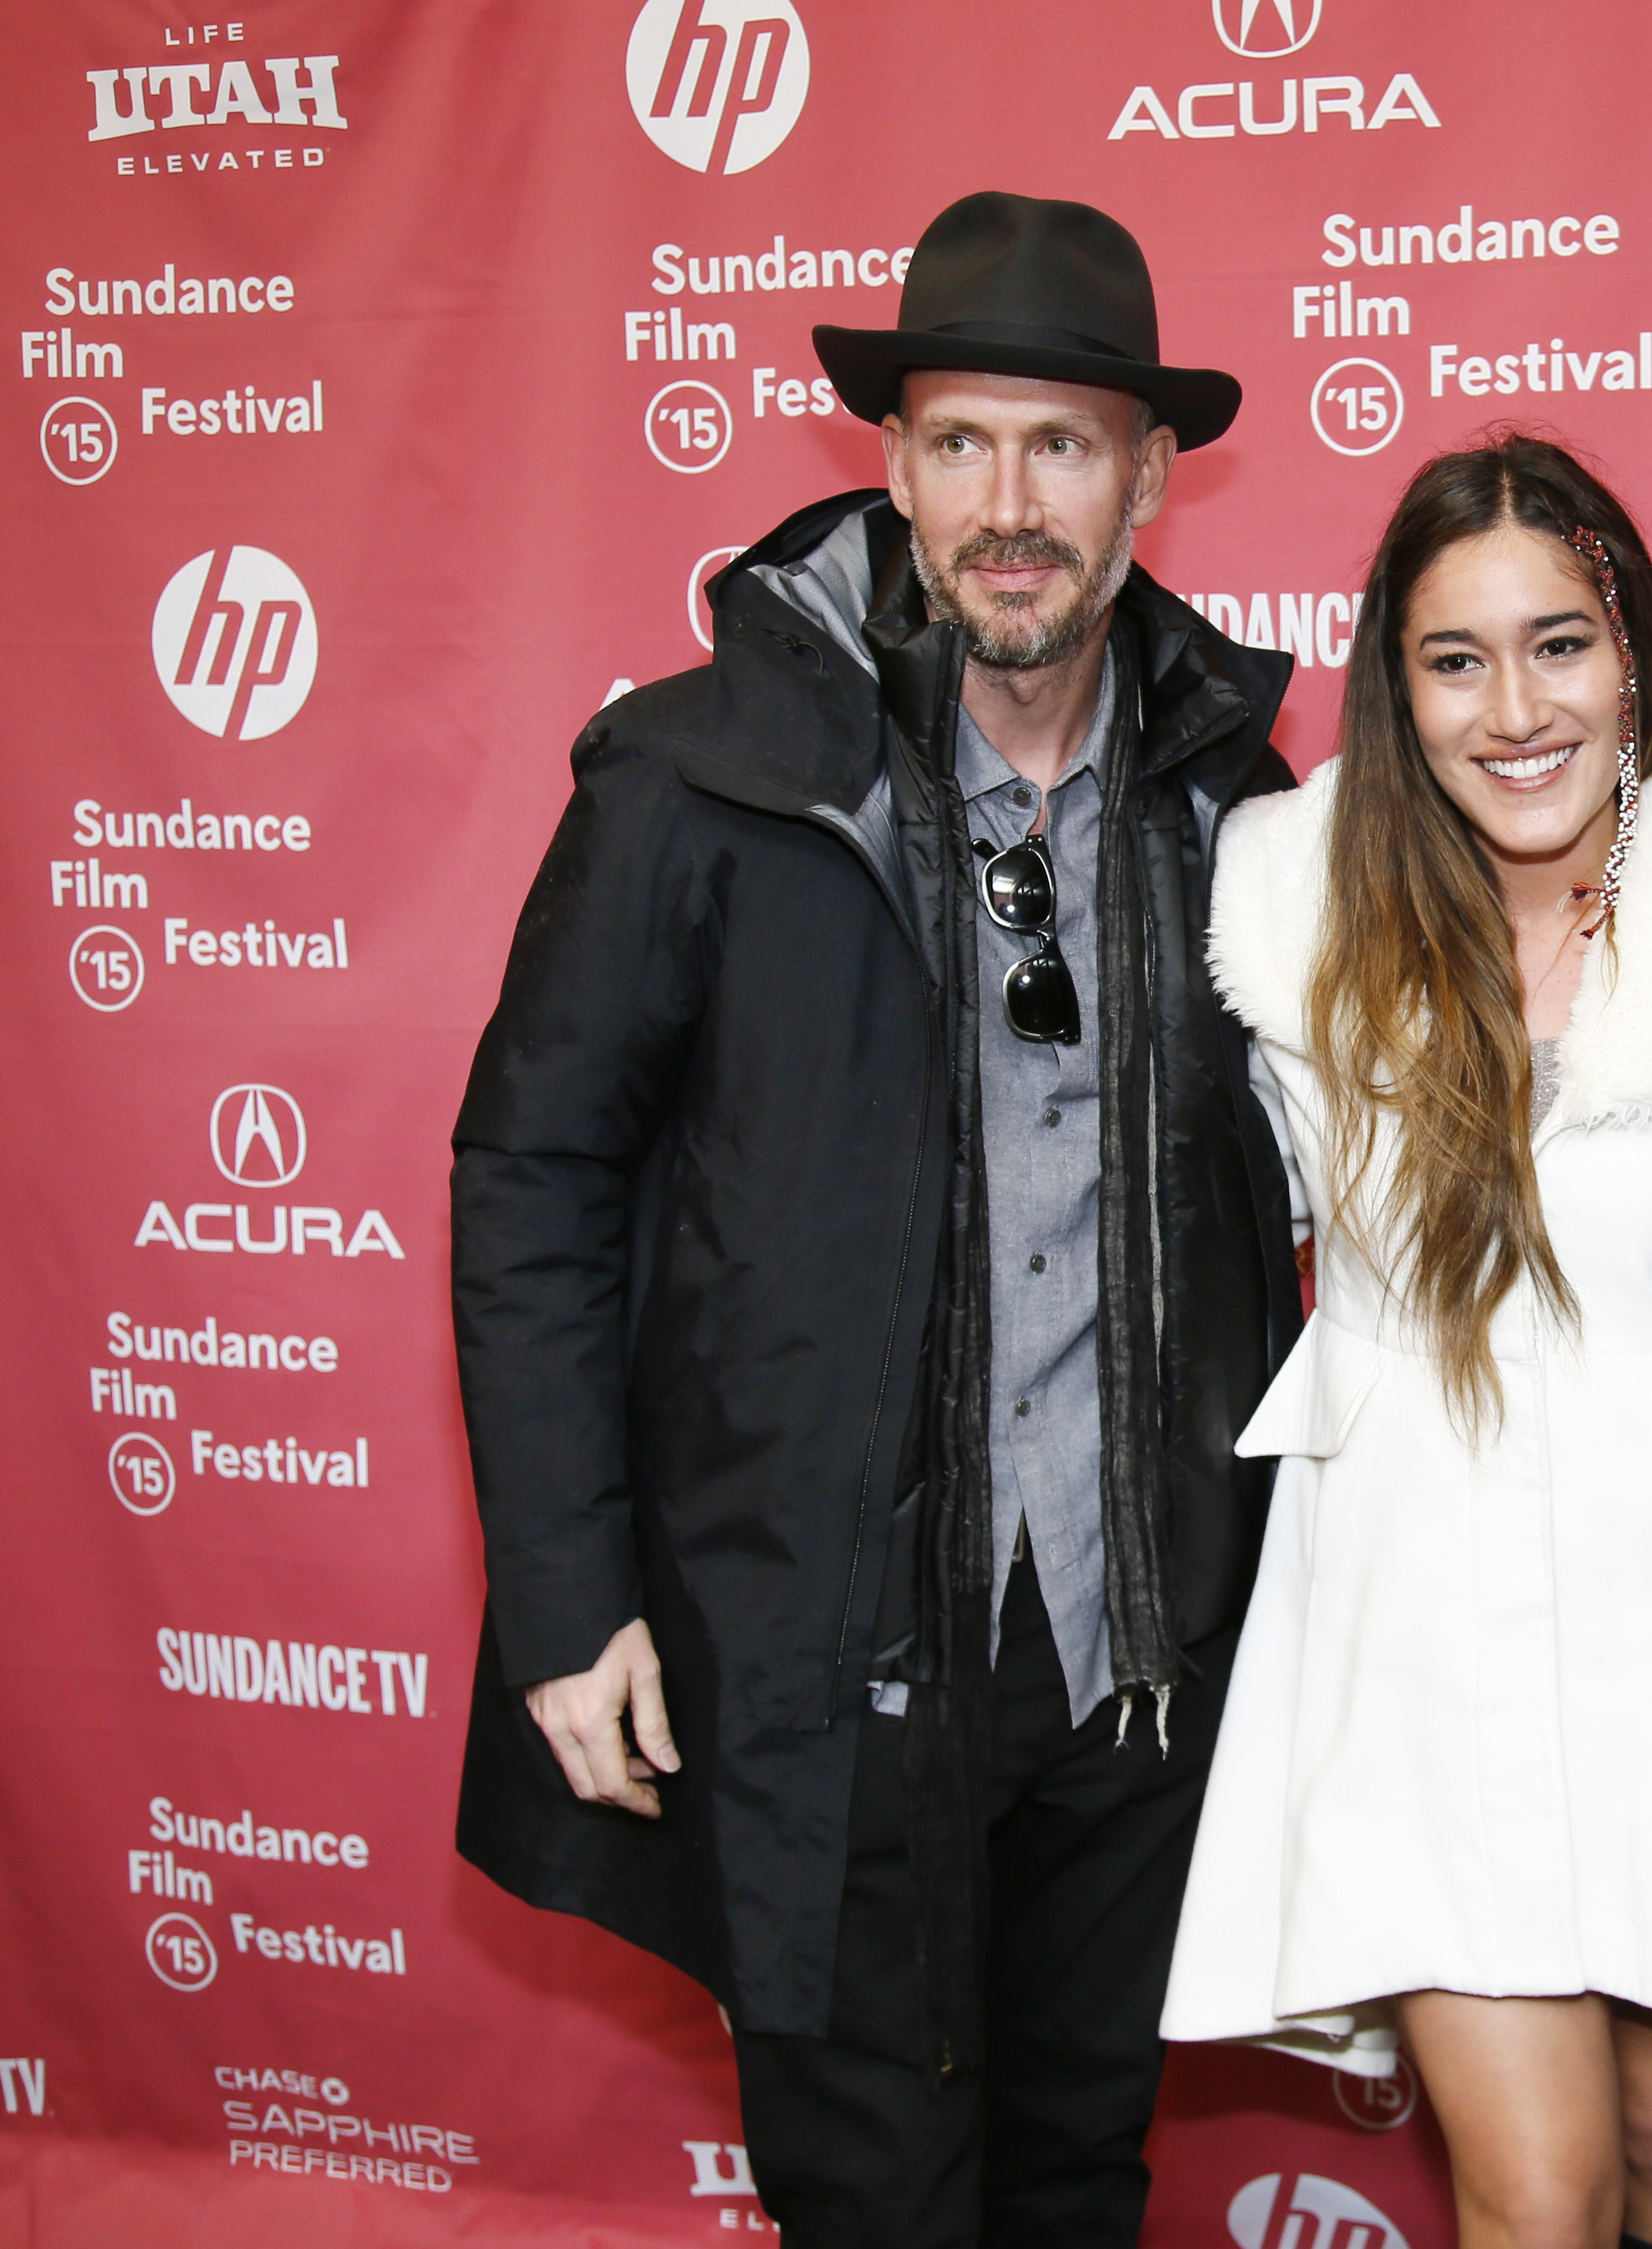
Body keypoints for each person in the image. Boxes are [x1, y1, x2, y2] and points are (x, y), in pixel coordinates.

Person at [448, 192, 1303, 2249]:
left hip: (1135, 1658)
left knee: (1080, 2178)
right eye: (960, 442)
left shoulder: (1233, 795)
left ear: (1149, 478)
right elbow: (531, 1171)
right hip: (831, 1658)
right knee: (880, 2205)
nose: (1010, 503)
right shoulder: (706, 774)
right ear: (896, 466)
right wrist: (570, 1597)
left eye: (1065, 444)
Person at [1163, 436, 1652, 2249]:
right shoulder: (1286, 887)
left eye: (1558, 643)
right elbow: (1197, 1221)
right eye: (1455, 656)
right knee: (1537, 2186)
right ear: (1393, 680)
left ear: (1633, 648)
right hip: (1412, 1604)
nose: (1514, 707)